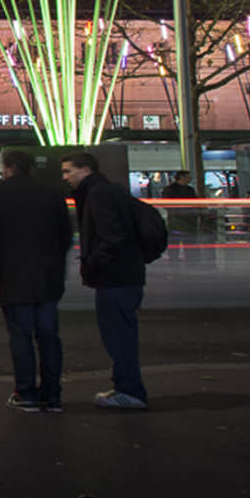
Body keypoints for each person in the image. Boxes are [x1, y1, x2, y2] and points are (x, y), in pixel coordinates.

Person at [0, 150, 73, 413]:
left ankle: (26, 394)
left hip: (14, 273)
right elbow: (66, 235)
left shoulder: (1, 192)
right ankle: (52, 396)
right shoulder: (54, 192)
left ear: (9, 167)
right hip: (48, 275)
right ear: (32, 167)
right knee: (49, 336)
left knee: (20, 336)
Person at [61, 151, 149, 410]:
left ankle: (131, 391)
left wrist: (95, 262)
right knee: (122, 334)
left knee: (118, 337)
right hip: (128, 274)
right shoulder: (111, 190)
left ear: (85, 170)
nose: (65, 177)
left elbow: (112, 236)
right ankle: (125, 387)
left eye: (69, 171)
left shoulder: (98, 194)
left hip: (115, 277)